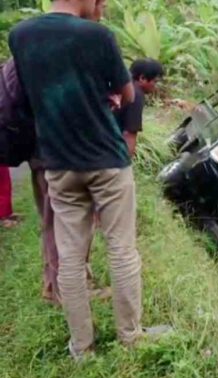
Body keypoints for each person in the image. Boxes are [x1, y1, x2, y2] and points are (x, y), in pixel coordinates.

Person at [9, 0, 147, 359]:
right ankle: (130, 337)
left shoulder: (20, 35)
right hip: (106, 160)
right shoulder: (97, 34)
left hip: (58, 162)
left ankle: (81, 348)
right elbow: (128, 93)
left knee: (69, 257)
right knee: (121, 249)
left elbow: (26, 93)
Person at [29, 0, 108, 306]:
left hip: (46, 151)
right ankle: (64, 291)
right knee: (63, 225)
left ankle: (58, 285)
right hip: (56, 153)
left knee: (56, 223)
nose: (101, 10)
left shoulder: (32, 42)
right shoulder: (66, 44)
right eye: (100, 4)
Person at [115, 59, 165, 157]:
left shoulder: (121, 85)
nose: (156, 87)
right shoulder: (136, 95)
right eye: (155, 82)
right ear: (142, 78)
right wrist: (126, 162)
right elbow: (129, 135)